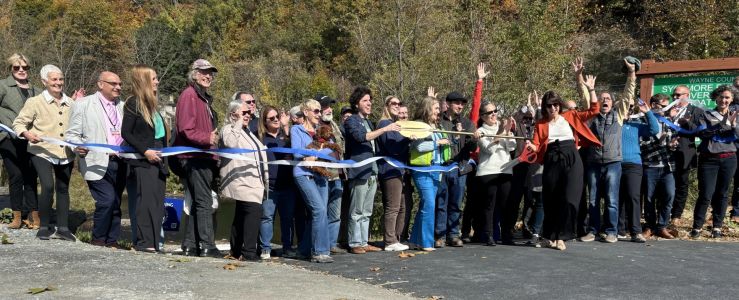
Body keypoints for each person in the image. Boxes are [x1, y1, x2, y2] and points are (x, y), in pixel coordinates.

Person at [525, 74, 600, 251]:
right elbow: (536, 145)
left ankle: (564, 235)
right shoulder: (541, 124)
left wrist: (590, 89)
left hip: (571, 157)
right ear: (545, 107)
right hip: (552, 159)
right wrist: (531, 147)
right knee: (551, 198)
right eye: (549, 105)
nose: (553, 108)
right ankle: (553, 236)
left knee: (570, 197)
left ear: (560, 104)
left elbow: (594, 110)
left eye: (556, 104)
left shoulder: (570, 116)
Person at [12, 64, 75, 241]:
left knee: (63, 188)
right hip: (41, 151)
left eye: (61, 79)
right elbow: (19, 123)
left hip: (65, 152)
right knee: (47, 186)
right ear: (44, 81)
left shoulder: (71, 102)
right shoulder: (35, 102)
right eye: (54, 79)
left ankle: (63, 228)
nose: (58, 83)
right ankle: (44, 226)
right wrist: (26, 133)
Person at [65, 71, 127, 247]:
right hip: (95, 162)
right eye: (113, 84)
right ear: (101, 84)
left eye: (120, 84)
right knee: (106, 200)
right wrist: (77, 147)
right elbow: (72, 134)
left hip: (121, 161)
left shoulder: (123, 106)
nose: (118, 87)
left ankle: (112, 240)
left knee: (115, 202)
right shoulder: (84, 105)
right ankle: (98, 239)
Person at [581, 59, 636, 243]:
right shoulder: (593, 116)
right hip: (594, 163)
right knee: (593, 200)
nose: (604, 100)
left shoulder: (619, 115)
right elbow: (586, 97)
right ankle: (592, 231)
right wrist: (579, 77)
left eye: (608, 98)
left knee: (612, 200)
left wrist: (631, 74)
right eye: (602, 98)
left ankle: (611, 231)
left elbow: (628, 94)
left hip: (613, 163)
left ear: (613, 103)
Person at [173, 59, 221, 258]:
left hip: (202, 155)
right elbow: (186, 128)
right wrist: (207, 138)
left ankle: (190, 244)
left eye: (210, 72)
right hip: (193, 156)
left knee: (197, 201)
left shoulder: (203, 98)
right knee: (204, 201)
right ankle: (208, 245)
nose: (208, 75)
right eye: (203, 72)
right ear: (194, 74)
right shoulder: (190, 95)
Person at [344, 86, 400, 254]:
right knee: (357, 210)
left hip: (372, 171)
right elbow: (361, 137)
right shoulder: (352, 121)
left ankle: (363, 241)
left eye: (370, 100)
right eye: (365, 101)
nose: (369, 103)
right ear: (356, 104)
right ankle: (354, 242)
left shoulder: (368, 122)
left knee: (367, 210)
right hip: (359, 171)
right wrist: (385, 129)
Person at [120, 65, 167, 252]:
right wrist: (144, 151)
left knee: (157, 204)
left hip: (160, 159)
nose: (157, 81)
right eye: (154, 78)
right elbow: (126, 132)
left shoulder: (153, 105)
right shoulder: (133, 103)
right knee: (145, 203)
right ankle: (144, 242)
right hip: (143, 161)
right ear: (144, 81)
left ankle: (155, 243)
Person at [220, 100, 268, 260]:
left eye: (249, 113)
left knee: (242, 215)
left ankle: (236, 250)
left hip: (254, 181)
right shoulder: (228, 129)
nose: (248, 116)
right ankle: (248, 252)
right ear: (233, 113)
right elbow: (230, 143)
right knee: (253, 212)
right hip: (241, 180)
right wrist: (238, 122)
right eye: (244, 113)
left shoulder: (249, 133)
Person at [690, 85, 739, 239]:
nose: (723, 100)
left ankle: (717, 227)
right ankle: (697, 227)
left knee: (723, 194)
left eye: (727, 97)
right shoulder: (706, 114)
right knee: (705, 194)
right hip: (709, 160)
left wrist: (734, 125)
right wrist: (723, 123)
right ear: (716, 97)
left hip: (729, 158)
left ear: (732, 100)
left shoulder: (736, 115)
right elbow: (704, 133)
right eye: (721, 97)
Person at [0, 53, 39, 230]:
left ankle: (33, 215)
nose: (21, 70)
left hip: (30, 139)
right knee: (16, 175)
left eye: (25, 67)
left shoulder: (36, 90)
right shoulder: (3, 86)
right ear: (11, 69)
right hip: (8, 138)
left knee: (31, 175)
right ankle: (16, 215)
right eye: (17, 67)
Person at [292, 99, 334, 263]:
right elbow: (296, 151)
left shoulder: (321, 130)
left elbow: (332, 148)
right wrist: (307, 154)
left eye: (319, 111)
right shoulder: (297, 129)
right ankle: (320, 251)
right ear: (306, 112)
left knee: (320, 212)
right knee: (319, 210)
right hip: (303, 173)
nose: (318, 114)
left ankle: (303, 250)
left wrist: (318, 154)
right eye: (315, 111)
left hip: (320, 174)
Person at [408, 96, 450, 251]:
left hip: (436, 170)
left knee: (426, 205)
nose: (439, 111)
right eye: (436, 108)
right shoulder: (419, 125)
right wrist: (436, 143)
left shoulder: (437, 126)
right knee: (430, 204)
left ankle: (414, 240)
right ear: (427, 108)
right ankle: (426, 242)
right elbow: (418, 147)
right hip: (423, 170)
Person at [435, 91, 476, 248]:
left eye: (462, 104)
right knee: (441, 202)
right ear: (448, 104)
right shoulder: (438, 120)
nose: (460, 106)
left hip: (460, 168)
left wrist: (474, 138)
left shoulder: (466, 123)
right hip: (442, 167)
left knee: (456, 203)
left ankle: (453, 234)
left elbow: (472, 147)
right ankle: (440, 235)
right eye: (457, 103)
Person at [258, 105, 299, 259]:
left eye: (277, 117)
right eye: (271, 118)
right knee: (267, 217)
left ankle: (287, 247)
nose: (275, 120)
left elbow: (295, 148)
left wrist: (286, 126)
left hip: (288, 184)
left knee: (288, 218)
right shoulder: (260, 139)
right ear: (264, 121)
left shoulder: (286, 136)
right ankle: (265, 248)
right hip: (270, 186)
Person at [473, 100, 516, 246]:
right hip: (488, 172)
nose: (494, 114)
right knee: (489, 205)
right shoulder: (481, 131)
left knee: (505, 204)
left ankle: (506, 235)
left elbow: (511, 147)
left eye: (495, 111)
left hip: (505, 169)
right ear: (483, 116)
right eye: (490, 112)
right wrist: (500, 133)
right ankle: (489, 235)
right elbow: (489, 149)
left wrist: (508, 132)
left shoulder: (502, 128)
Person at [618, 98, 660, 243]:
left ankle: (635, 231)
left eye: (630, 107)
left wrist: (648, 112)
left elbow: (654, 130)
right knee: (617, 197)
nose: (627, 109)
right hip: (614, 163)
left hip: (633, 164)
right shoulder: (612, 124)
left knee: (633, 197)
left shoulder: (635, 124)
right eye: (624, 107)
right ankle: (619, 230)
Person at [640, 94, 678, 239]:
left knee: (669, 195)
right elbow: (641, 144)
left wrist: (673, 145)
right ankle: (650, 226)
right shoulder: (643, 120)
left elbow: (674, 141)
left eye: (668, 106)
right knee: (649, 198)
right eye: (663, 106)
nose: (666, 109)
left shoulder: (669, 121)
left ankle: (662, 226)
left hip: (668, 165)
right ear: (654, 105)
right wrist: (661, 143)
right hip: (650, 165)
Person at [377, 95, 410, 251]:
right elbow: (393, 148)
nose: (397, 106)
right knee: (393, 206)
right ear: (386, 106)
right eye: (393, 103)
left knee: (402, 206)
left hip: (399, 170)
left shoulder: (394, 124)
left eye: (399, 103)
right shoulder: (385, 124)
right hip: (389, 170)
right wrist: (408, 140)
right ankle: (389, 241)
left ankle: (396, 238)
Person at [316, 94, 346, 254]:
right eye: (325, 106)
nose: (329, 109)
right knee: (321, 211)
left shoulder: (335, 125)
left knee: (335, 212)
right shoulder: (315, 126)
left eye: (330, 106)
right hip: (322, 174)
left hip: (338, 174)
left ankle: (332, 244)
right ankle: (321, 245)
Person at [670, 85, 704, 226]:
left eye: (678, 95)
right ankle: (663, 213)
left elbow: (700, 132)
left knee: (681, 184)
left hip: (685, 152)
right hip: (665, 152)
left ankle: (676, 215)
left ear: (687, 95)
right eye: (674, 95)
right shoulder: (667, 109)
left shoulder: (696, 111)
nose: (675, 98)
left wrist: (687, 123)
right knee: (665, 184)